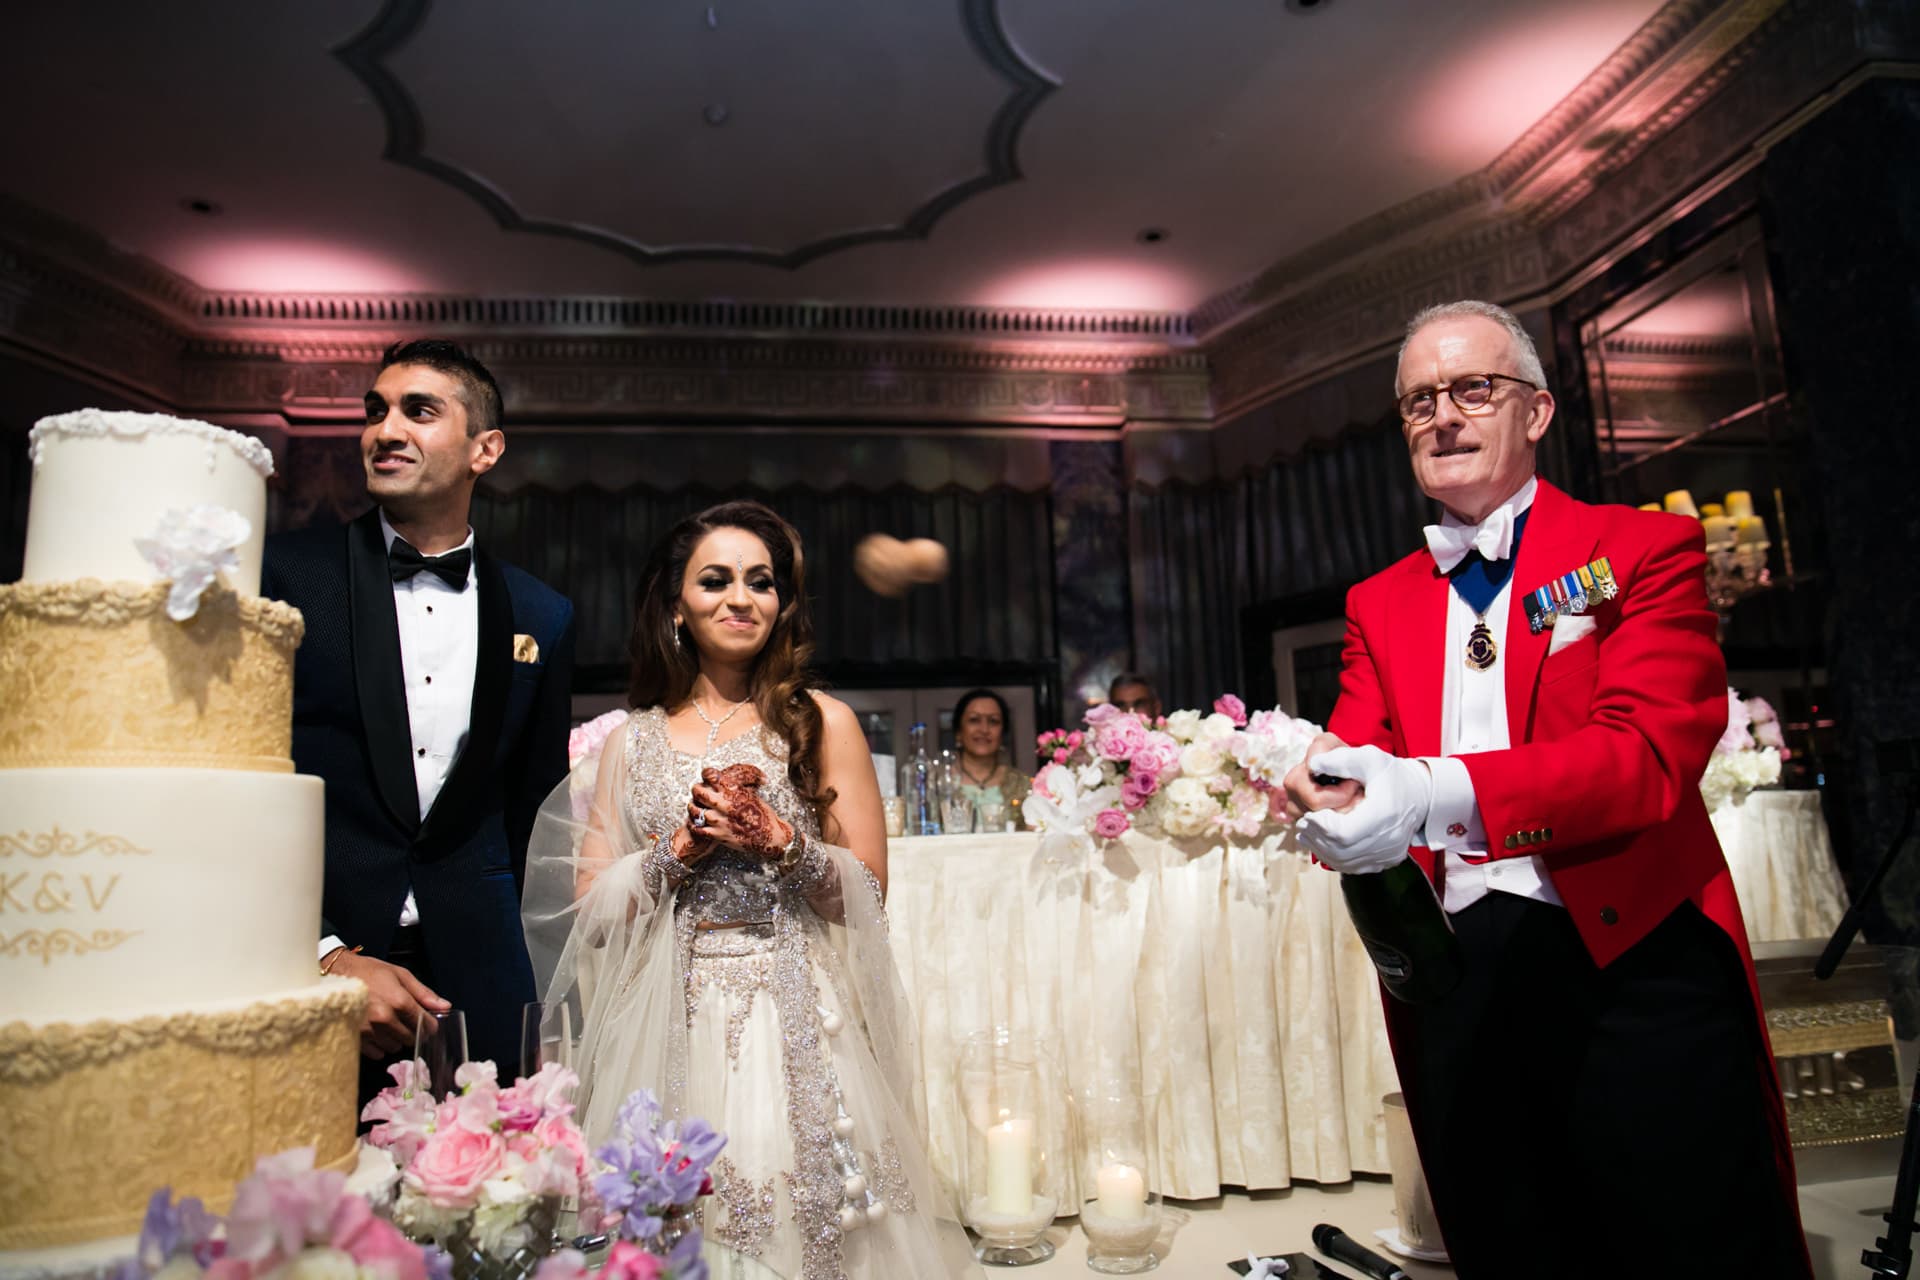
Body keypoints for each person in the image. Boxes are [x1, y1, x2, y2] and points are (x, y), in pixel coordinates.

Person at [1281, 301, 1810, 1278]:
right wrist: (1328, 798)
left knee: (1695, 1242)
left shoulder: (1640, 549)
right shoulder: (1377, 600)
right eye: (1417, 402)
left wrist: (1432, 788)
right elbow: (1359, 747)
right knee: (1512, 1242)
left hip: (1634, 959)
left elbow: (1647, 755)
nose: (1443, 415)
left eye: (1472, 388)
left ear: (1536, 411)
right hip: (1459, 983)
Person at [523, 501, 978, 1278]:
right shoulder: (631, 742)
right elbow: (591, 905)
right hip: (667, 1012)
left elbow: (868, 891)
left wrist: (783, 843)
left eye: (761, 582)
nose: (741, 598)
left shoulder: (821, 722)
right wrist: (677, 849)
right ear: (676, 605)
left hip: (795, 1006)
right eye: (716, 580)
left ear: (782, 604)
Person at [264, 339, 575, 1095]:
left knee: (499, 1203)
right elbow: (245, 790)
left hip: (487, 985)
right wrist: (325, 956)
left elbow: (536, 816)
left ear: (485, 449)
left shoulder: (543, 612)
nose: (385, 430)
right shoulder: (283, 579)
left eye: (419, 411)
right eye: (376, 411)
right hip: (323, 973)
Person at [949, 688, 1030, 830]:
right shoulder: (938, 784)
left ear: (1003, 733)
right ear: (958, 732)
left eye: (993, 721)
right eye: (974, 720)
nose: (984, 729)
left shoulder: (1021, 784)